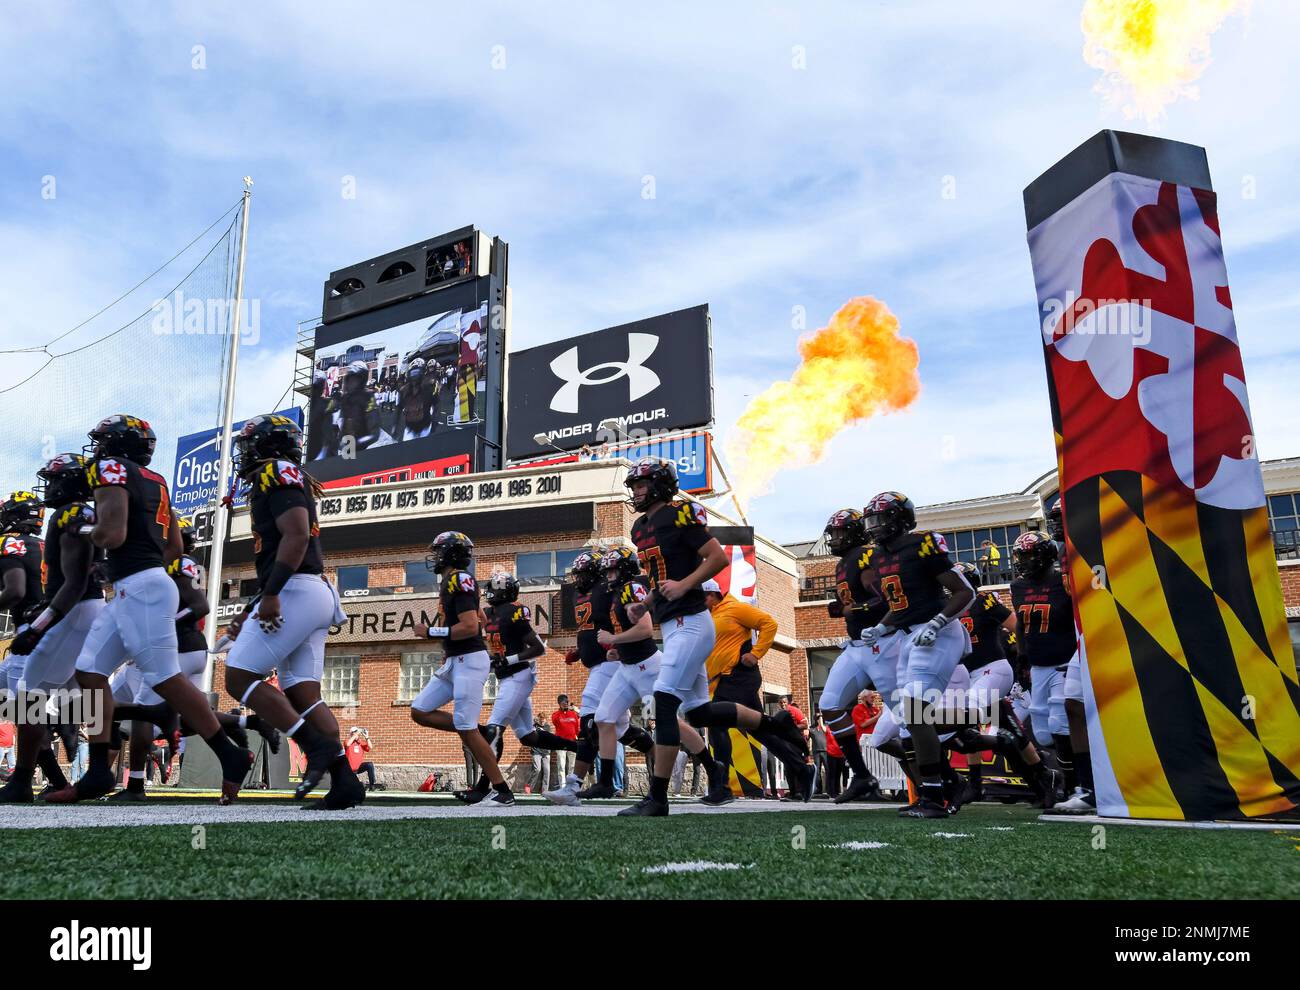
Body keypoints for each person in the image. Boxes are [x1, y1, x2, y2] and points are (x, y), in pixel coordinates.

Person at [50, 416, 253, 804]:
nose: (97, 450)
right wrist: (132, 562)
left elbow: (112, 533)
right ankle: (96, 772)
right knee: (89, 671)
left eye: (102, 442)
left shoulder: (110, 469)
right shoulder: (155, 479)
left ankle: (231, 754)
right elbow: (174, 545)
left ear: (115, 445)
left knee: (164, 678)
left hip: (139, 588)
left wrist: (77, 531)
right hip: (140, 583)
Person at [619, 458, 810, 816]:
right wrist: (644, 604)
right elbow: (663, 575)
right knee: (701, 712)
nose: (636, 490)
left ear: (660, 484)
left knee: (663, 703)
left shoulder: (679, 513)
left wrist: (685, 585)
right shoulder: (640, 526)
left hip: (692, 622)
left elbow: (717, 558)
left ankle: (657, 798)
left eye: (642, 483)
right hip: (675, 625)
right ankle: (777, 727)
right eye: (634, 484)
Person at [219, 413, 365, 810]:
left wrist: (270, 594)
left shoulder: (275, 471)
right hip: (310, 590)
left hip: (297, 589)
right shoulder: (281, 473)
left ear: (268, 444)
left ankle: (313, 746)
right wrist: (253, 604)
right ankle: (345, 782)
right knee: (303, 693)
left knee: (238, 676)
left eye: (250, 443)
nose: (245, 453)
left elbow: (297, 535)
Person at [855, 491, 975, 818]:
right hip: (909, 638)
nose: (875, 527)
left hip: (937, 633)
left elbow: (966, 592)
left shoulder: (923, 544)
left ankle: (937, 795)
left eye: (882, 519)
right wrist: (881, 627)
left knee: (915, 711)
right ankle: (941, 788)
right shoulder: (878, 557)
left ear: (901, 519)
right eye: (872, 520)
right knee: (909, 719)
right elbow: (902, 604)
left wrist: (939, 621)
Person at [591, 546, 726, 809]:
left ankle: (712, 767)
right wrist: (619, 650)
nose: (609, 574)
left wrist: (613, 639)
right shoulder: (619, 592)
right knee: (603, 718)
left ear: (626, 569)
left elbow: (644, 629)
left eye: (613, 569)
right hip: (628, 667)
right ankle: (606, 782)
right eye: (607, 569)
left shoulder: (633, 589)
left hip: (648, 667)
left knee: (669, 721)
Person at [411, 531, 514, 806]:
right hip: (456, 660)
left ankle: (503, 791)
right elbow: (478, 616)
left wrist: (430, 632)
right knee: (420, 711)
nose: (434, 557)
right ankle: (483, 732)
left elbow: (471, 626)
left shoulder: (460, 579)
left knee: (466, 728)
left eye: (438, 551)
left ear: (451, 553)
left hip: (469, 660)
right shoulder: (452, 581)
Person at [456, 571, 576, 803]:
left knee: (494, 730)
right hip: (507, 677)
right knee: (528, 737)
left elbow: (538, 648)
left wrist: (508, 660)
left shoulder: (514, 611)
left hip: (519, 675)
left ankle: (487, 788)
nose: (490, 591)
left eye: (494, 587)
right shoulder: (488, 613)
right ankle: (579, 747)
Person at [815, 508, 888, 804]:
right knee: (830, 705)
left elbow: (884, 598)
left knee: (910, 714)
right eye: (832, 533)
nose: (835, 538)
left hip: (883, 642)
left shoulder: (865, 555)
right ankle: (862, 776)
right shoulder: (843, 563)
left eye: (840, 532)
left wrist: (851, 609)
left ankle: (939, 782)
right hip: (857, 644)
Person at [1009, 530, 1076, 809]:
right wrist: (1022, 657)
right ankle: (1060, 778)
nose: (1024, 561)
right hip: (1038, 664)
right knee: (1045, 732)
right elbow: (1022, 626)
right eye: (1020, 556)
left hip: (1064, 661)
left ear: (1046, 555)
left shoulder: (1063, 582)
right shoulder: (1018, 587)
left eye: (1030, 555)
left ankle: (1075, 787)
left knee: (1061, 724)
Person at [700, 578, 778, 786]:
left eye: (702, 597)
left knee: (717, 724)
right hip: (724, 681)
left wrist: (756, 653)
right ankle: (800, 766)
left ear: (713, 594)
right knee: (758, 728)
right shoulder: (710, 616)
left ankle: (721, 784)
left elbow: (769, 623)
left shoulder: (734, 608)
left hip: (737, 678)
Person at [550, 694, 580, 782]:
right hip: (560, 743)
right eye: (564, 702)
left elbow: (577, 728)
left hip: (572, 742)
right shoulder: (555, 714)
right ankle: (562, 786)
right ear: (559, 703)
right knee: (561, 766)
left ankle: (570, 786)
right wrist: (561, 711)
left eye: (567, 702)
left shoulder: (573, 714)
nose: (566, 703)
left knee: (572, 766)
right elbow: (555, 722)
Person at [346, 727, 377, 791]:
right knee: (354, 787)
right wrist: (355, 734)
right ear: (351, 734)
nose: (357, 734)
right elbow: (348, 744)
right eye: (355, 732)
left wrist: (367, 737)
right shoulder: (347, 741)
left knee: (369, 765)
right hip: (349, 770)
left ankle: (372, 785)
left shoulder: (360, 743)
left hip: (358, 768)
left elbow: (370, 747)